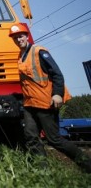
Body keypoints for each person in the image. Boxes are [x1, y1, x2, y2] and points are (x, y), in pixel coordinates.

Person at [10, 23, 91, 173]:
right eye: (15, 37)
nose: (18, 39)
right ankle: (44, 172)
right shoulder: (20, 56)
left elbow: (57, 74)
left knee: (54, 139)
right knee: (31, 137)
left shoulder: (39, 51)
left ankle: (87, 164)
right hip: (30, 104)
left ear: (26, 36)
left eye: (20, 36)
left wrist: (57, 94)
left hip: (46, 102)